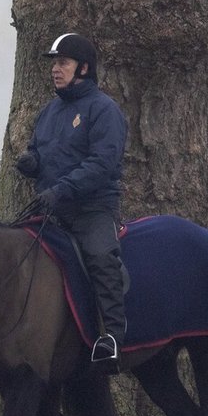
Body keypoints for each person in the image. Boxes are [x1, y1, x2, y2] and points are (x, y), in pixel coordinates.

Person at [15, 33, 128, 371]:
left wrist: (61, 189)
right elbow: (38, 150)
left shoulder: (104, 110)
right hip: (52, 209)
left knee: (100, 256)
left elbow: (102, 163)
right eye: (54, 63)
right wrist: (31, 162)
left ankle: (111, 338)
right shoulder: (50, 111)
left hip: (92, 210)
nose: (55, 69)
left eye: (62, 62)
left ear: (83, 68)